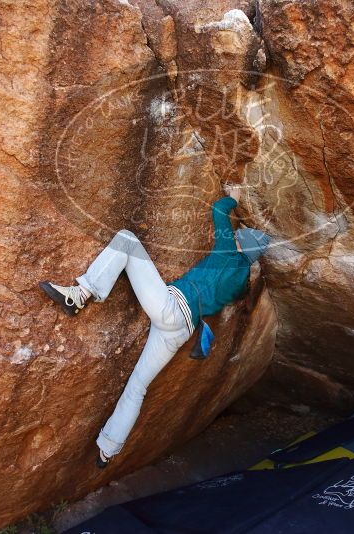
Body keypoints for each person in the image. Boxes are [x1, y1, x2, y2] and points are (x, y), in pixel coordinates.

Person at [39, 184, 270, 468]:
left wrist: (233, 199)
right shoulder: (240, 281)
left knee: (126, 240)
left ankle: (81, 294)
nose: (234, 237)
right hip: (181, 332)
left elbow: (218, 210)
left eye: (238, 237)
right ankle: (108, 449)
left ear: (240, 246)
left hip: (171, 309)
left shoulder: (228, 253)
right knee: (138, 386)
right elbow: (236, 290)